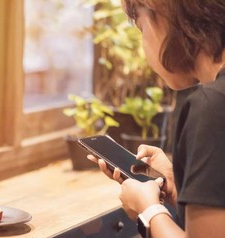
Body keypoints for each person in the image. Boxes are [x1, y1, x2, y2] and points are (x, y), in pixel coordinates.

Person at [87, 0, 225, 237]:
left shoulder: (212, 106)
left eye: (140, 28)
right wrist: (181, 185)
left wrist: (148, 209)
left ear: (160, 11)